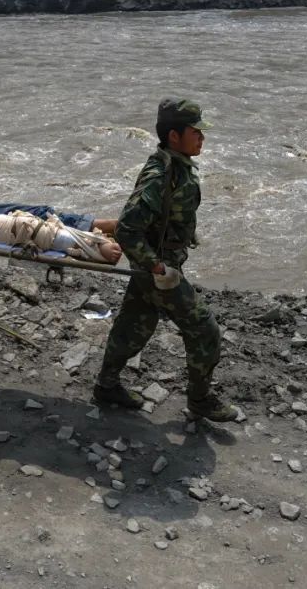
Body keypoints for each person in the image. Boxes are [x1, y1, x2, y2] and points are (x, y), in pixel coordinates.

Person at [91, 98, 238, 422]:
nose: (202, 137)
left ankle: (107, 384)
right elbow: (128, 229)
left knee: (134, 325)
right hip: (160, 271)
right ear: (174, 135)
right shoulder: (161, 175)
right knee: (204, 330)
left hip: (158, 266)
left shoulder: (176, 167)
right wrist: (157, 268)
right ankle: (200, 401)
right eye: (195, 131)